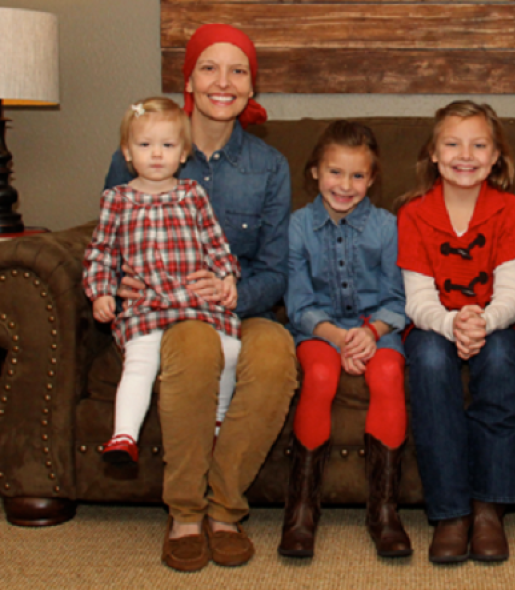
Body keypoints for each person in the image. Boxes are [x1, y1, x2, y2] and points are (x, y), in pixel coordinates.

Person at [103, 24, 298, 572]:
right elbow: (109, 236)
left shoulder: (269, 167)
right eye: (210, 67)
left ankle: (225, 510)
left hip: (239, 311)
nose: (223, 81)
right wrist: (120, 280)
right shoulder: (146, 145)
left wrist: (235, 291)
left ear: (251, 88)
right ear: (188, 78)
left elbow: (276, 270)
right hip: (167, 316)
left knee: (277, 352)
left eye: (238, 71)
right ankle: (185, 512)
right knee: (191, 343)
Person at [396, 100, 515, 564]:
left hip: (495, 321)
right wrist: (453, 323)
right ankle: (451, 511)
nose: (465, 154)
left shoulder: (508, 210)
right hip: (435, 323)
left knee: (496, 358)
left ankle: (489, 506)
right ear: (433, 154)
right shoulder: (414, 214)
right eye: (452, 144)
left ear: (496, 157)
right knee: (431, 361)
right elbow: (417, 300)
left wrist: (484, 321)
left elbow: (513, 294)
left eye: (478, 144)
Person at [278, 120, 410, 559]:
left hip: (377, 331)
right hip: (320, 329)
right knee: (318, 375)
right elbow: (297, 303)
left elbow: (398, 297)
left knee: (389, 373)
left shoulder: (388, 226)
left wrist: (370, 334)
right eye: (335, 172)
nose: (345, 185)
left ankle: (384, 511)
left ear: (372, 179)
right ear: (315, 171)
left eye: (357, 176)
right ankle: (300, 512)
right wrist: (338, 338)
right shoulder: (296, 227)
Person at [85, 97, 241, 466]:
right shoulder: (117, 200)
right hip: (148, 303)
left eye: (167, 146)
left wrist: (227, 278)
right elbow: (101, 252)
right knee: (141, 360)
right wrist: (101, 292)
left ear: (183, 153)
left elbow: (215, 242)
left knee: (231, 351)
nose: (156, 155)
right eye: (145, 145)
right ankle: (124, 435)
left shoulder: (192, 196)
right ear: (127, 152)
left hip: (194, 300)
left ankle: (218, 421)